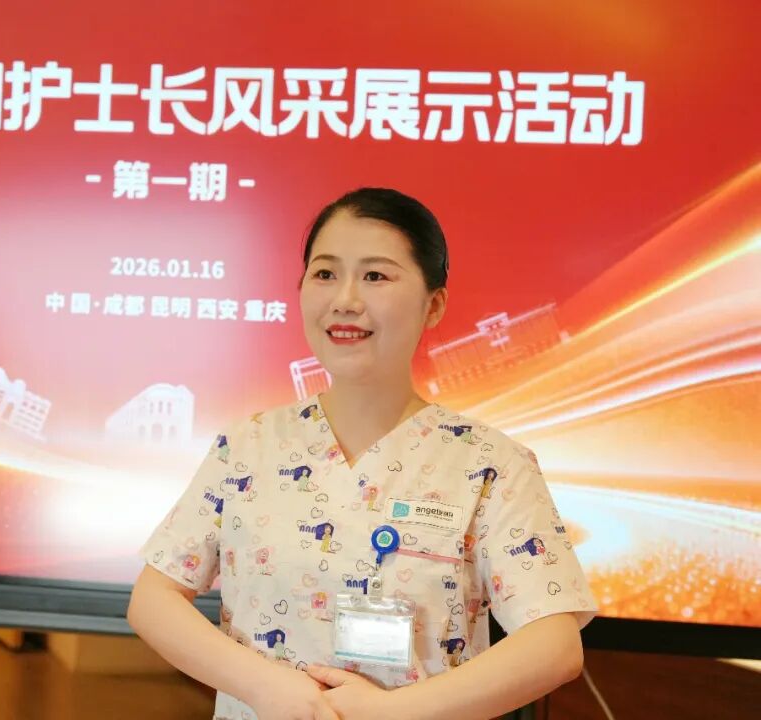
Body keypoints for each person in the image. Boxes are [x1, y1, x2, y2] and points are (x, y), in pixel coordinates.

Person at [128, 188, 598, 720]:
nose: (345, 299)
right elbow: (153, 599)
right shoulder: (247, 446)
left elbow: (554, 644)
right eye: (325, 273)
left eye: (375, 275)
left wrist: (392, 713)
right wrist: (264, 687)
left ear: (434, 304)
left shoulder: (490, 464)